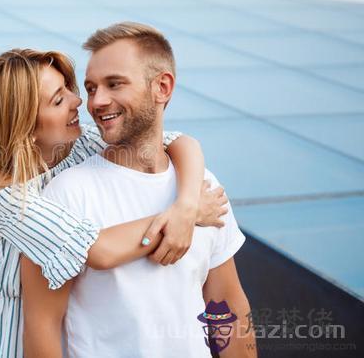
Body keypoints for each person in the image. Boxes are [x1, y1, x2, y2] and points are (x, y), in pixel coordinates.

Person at [0, 48, 229, 358]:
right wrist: (192, 213)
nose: (79, 102)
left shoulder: (79, 143)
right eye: (59, 100)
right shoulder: (1, 194)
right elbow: (97, 250)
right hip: (15, 343)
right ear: (24, 128)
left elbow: (180, 142)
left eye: (69, 90)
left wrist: (185, 203)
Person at [21, 22, 256, 357]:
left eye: (114, 84)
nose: (97, 101)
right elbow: (42, 330)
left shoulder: (203, 188)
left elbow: (227, 307)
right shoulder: (65, 195)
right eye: (90, 88)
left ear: (162, 87)